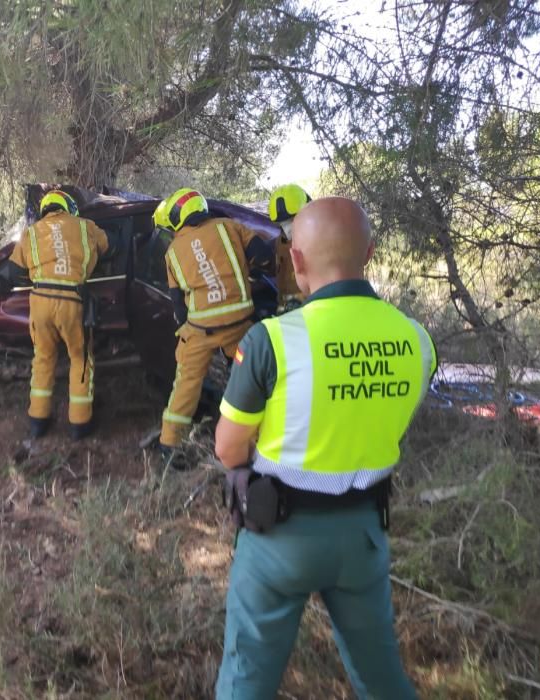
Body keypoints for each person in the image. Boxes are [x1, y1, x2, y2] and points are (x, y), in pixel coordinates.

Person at [213, 197, 436, 699]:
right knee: (381, 677)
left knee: (247, 678)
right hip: (364, 538)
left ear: (295, 259)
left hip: (278, 539)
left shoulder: (273, 340)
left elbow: (228, 450)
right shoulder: (417, 341)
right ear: (370, 253)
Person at [155, 187, 271, 469]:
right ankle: (252, 441)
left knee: (186, 384)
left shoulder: (172, 253)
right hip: (240, 324)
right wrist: (247, 271)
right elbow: (265, 257)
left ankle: (170, 446)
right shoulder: (230, 227)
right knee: (248, 380)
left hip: (202, 328)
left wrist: (187, 331)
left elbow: (178, 307)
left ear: (176, 218)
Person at [8, 190, 109, 440]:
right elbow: (109, 247)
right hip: (72, 301)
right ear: (69, 207)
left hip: (40, 301)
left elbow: (13, 273)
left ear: (45, 210)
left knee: (43, 358)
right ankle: (80, 424)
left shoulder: (31, 233)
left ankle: (38, 421)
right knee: (80, 358)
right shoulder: (85, 226)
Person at [268, 183, 312, 313]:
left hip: (314, 315)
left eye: (292, 220)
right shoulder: (279, 244)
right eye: (283, 223)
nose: (288, 228)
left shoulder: (320, 240)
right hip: (286, 317)